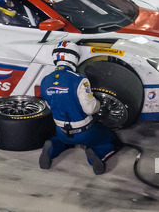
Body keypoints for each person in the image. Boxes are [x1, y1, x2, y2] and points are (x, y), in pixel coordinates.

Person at [39, 41, 122, 175]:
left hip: (61, 130)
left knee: (63, 139)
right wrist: (99, 104)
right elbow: (90, 109)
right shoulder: (79, 80)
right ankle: (96, 154)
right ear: (75, 58)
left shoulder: (45, 80)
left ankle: (52, 149)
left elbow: (50, 105)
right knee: (111, 139)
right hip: (85, 132)